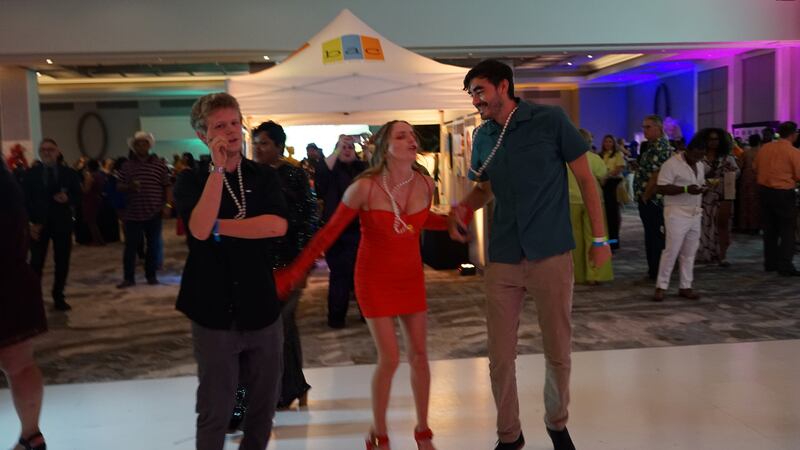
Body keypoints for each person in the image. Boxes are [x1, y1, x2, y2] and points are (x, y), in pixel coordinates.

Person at [447, 59, 611, 450]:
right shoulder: (484, 136)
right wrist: (464, 209)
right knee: (500, 355)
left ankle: (557, 422)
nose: (475, 100)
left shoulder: (550, 121)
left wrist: (600, 239)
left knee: (558, 349)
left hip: (550, 252)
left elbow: (586, 179)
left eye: (480, 90)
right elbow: (485, 188)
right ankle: (509, 435)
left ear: (504, 86)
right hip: (503, 256)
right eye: (471, 94)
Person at [276, 120, 447, 450]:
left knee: (420, 355)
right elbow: (328, 233)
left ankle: (423, 431)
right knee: (390, 358)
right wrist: (295, 271)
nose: (411, 139)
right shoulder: (364, 187)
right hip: (373, 278)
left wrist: (452, 222)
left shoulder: (425, 183)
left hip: (410, 277)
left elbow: (421, 220)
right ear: (385, 147)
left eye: (412, 135)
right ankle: (379, 432)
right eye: (401, 136)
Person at [173, 92, 288, 450]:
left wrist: (219, 227)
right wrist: (217, 170)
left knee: (263, 406)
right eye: (220, 126)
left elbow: (277, 226)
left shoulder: (263, 176)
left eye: (235, 123)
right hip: (212, 308)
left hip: (260, 304)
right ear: (203, 135)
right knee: (216, 407)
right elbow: (198, 229)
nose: (231, 131)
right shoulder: (191, 180)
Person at [226, 120, 318, 432]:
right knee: (268, 331)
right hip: (256, 264)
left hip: (289, 264)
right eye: (255, 143)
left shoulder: (293, 174)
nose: (258, 148)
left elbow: (308, 219)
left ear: (279, 146)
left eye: (264, 143)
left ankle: (285, 390)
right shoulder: (247, 175)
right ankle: (289, 388)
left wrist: (304, 264)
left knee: (280, 328)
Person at [0, 157, 49, 450]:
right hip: (13, 278)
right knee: (20, 365)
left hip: (11, 279)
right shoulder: (5, 179)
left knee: (19, 365)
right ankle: (32, 436)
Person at [314, 135, 367, 328]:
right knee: (339, 276)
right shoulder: (330, 170)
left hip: (361, 230)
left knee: (363, 274)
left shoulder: (362, 169)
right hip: (336, 231)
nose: (347, 149)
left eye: (350, 147)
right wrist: (337, 149)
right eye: (343, 147)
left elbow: (377, 170)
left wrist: (365, 148)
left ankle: (367, 313)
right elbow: (321, 172)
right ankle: (336, 318)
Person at [22, 138, 81, 311]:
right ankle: (33, 298)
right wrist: (30, 223)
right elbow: (25, 200)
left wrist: (68, 198)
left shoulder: (69, 173)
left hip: (62, 223)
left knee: (62, 261)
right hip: (38, 225)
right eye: (43, 150)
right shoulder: (30, 174)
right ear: (40, 153)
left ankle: (58, 296)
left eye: (50, 149)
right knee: (36, 262)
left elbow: (79, 197)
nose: (47, 152)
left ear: (57, 151)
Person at [653, 134, 708, 301]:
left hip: (695, 212)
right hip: (676, 212)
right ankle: (661, 286)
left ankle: (686, 286)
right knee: (672, 250)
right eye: (696, 155)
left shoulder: (700, 164)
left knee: (689, 252)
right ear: (688, 150)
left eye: (701, 156)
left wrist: (702, 188)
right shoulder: (671, 164)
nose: (698, 159)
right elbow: (661, 188)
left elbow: (697, 184)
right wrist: (685, 189)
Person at [116, 131, 172, 288]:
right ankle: (128, 278)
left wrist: (168, 206)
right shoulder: (126, 166)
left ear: (149, 145)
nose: (141, 146)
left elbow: (167, 186)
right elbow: (119, 186)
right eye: (138, 144)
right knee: (130, 247)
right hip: (132, 213)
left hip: (154, 212)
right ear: (134, 147)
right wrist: (129, 186)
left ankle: (151, 276)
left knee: (152, 246)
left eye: (144, 143)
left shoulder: (159, 165)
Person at [753, 121, 800, 276]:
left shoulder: (765, 148)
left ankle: (770, 263)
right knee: (787, 229)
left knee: (769, 229)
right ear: (793, 134)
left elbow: (755, 167)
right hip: (783, 193)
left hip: (764, 192)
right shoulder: (793, 152)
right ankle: (785, 265)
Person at [569, 129, 612, 285]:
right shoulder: (594, 158)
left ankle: (577, 274)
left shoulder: (564, 159)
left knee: (574, 240)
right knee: (595, 237)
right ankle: (595, 274)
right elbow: (603, 175)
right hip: (593, 201)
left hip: (570, 201)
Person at [633, 115, 674, 280]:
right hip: (649, 197)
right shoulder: (651, 146)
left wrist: (645, 195)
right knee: (651, 235)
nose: (645, 130)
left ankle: (657, 270)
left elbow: (656, 175)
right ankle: (654, 269)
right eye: (644, 127)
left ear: (659, 128)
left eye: (648, 127)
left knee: (655, 236)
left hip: (653, 199)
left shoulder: (660, 147)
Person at [696, 128, 739, 266]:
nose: (713, 142)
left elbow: (733, 177)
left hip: (723, 195)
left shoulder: (727, 158)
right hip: (703, 196)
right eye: (710, 139)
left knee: (723, 225)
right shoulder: (698, 158)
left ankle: (722, 256)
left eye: (716, 139)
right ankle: (704, 254)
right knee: (703, 225)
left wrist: (728, 198)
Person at [599, 134, 626, 251]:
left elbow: (619, 168)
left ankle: (613, 243)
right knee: (604, 215)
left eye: (610, 142)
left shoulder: (617, 154)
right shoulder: (600, 155)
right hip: (602, 184)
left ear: (614, 143)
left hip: (613, 184)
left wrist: (607, 175)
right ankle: (605, 241)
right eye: (606, 141)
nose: (608, 144)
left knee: (613, 215)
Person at [737, 134, 762, 233]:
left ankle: (744, 225)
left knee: (745, 202)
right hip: (759, 179)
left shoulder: (745, 152)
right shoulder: (762, 152)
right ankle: (755, 226)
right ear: (759, 141)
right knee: (756, 203)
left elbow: (739, 166)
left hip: (746, 179)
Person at [80, 159, 108, 246]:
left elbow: (86, 190)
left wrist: (80, 185)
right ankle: (100, 240)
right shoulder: (100, 175)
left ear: (89, 167)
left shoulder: (90, 176)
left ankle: (96, 241)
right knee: (94, 221)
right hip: (97, 198)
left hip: (90, 200)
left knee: (91, 222)